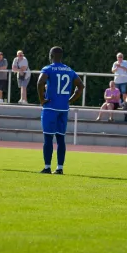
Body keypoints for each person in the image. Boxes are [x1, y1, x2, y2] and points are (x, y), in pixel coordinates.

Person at [37, 46, 84, 174]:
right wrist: (70, 100)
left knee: (48, 138)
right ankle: (60, 168)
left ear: (51, 56)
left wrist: (42, 99)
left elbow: (40, 82)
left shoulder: (48, 68)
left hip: (50, 107)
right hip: (63, 109)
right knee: (60, 139)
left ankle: (47, 167)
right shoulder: (69, 70)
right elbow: (80, 86)